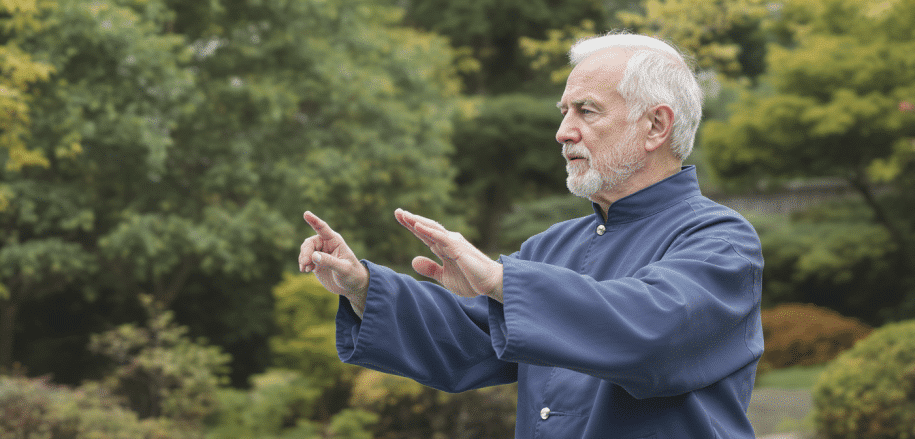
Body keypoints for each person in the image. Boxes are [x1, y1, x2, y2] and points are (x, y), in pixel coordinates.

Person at [298, 31, 763, 438]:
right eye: (564, 111)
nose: (563, 132)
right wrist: (362, 288)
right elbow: (466, 339)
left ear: (656, 125)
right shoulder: (550, 247)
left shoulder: (720, 240)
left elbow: (650, 331)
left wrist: (503, 282)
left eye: (586, 111)